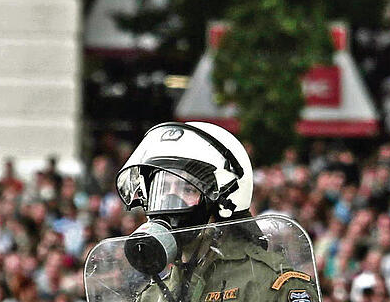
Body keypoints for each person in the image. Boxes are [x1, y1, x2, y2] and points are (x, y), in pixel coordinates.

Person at [113, 121, 320, 302]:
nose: (168, 199)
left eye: (186, 189)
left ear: (223, 201)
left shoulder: (269, 282)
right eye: (162, 189)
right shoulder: (152, 296)